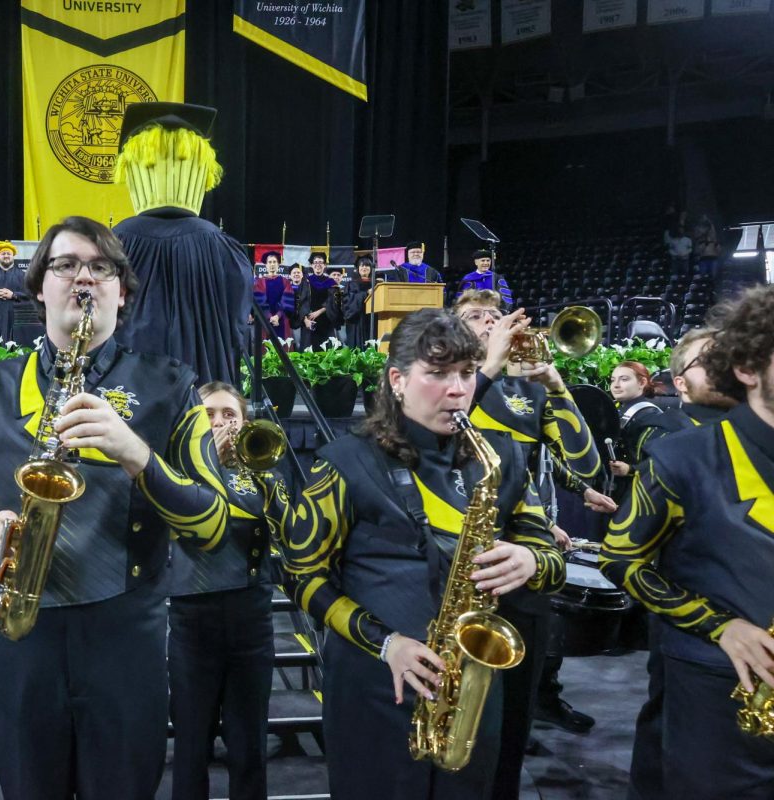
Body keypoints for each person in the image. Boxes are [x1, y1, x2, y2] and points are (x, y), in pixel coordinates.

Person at [0, 215, 230, 800]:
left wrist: (135, 452)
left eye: (101, 267)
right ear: (39, 286)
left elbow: (213, 524)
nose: (83, 278)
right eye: (65, 265)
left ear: (123, 288)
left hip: (125, 637)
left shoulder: (172, 384)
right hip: (20, 637)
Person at [265, 308, 564, 800]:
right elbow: (301, 575)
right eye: (438, 373)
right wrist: (388, 644)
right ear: (398, 380)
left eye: (468, 373)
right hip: (375, 684)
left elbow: (548, 558)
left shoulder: (502, 457)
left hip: (470, 691)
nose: (458, 389)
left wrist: (531, 561)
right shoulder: (346, 461)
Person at [599, 284, 774, 799]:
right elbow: (620, 561)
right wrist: (721, 627)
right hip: (716, 689)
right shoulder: (681, 458)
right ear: (746, 368)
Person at [454, 289, 611, 794]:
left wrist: (557, 384)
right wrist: (490, 367)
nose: (489, 323)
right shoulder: (440, 381)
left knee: (514, 715)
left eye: (495, 316)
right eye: (475, 317)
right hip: (452, 555)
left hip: (522, 559)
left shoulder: (531, 391)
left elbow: (587, 468)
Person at [623, 327, 738, 800]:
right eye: (706, 360)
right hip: (689, 619)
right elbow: (627, 556)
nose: (723, 363)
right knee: (670, 737)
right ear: (681, 381)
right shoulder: (668, 432)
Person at [168, 381, 278, 800]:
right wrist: (204, 459)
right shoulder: (175, 468)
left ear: (245, 421)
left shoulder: (263, 469)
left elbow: (289, 529)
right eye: (208, 414)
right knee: (191, 745)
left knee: (249, 744)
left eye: (229, 415)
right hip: (192, 617)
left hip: (251, 615)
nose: (220, 424)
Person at [113, 102, 252, 385]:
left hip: (130, 375)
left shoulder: (116, 240)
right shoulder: (219, 243)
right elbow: (238, 315)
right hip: (202, 374)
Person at [607, 361, 682, 487]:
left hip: (636, 489)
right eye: (613, 380)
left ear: (642, 383)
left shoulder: (650, 416)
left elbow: (666, 458)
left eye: (624, 379)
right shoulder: (612, 408)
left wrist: (631, 469)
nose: (616, 385)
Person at [302, 252, 340, 349]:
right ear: (311, 265)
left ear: (325, 265)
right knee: (310, 351)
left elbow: (333, 301)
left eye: (320, 262)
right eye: (315, 262)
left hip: (326, 320)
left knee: (327, 350)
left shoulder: (331, 282)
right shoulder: (306, 281)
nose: (318, 265)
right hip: (310, 321)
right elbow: (301, 302)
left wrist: (319, 312)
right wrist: (305, 319)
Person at [253, 251, 293, 341]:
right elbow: (260, 302)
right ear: (266, 265)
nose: (272, 264)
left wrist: (277, 316)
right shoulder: (259, 282)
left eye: (274, 262)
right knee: (265, 349)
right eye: (269, 262)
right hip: (265, 321)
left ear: (278, 264)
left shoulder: (285, 282)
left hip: (282, 321)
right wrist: (270, 317)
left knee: (283, 347)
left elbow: (287, 302)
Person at [343, 257, 375, 346]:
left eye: (367, 265)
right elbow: (348, 303)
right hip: (357, 321)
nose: (364, 268)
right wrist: (366, 294)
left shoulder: (376, 284)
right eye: (362, 266)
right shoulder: (351, 284)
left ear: (371, 268)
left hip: (373, 320)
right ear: (358, 269)